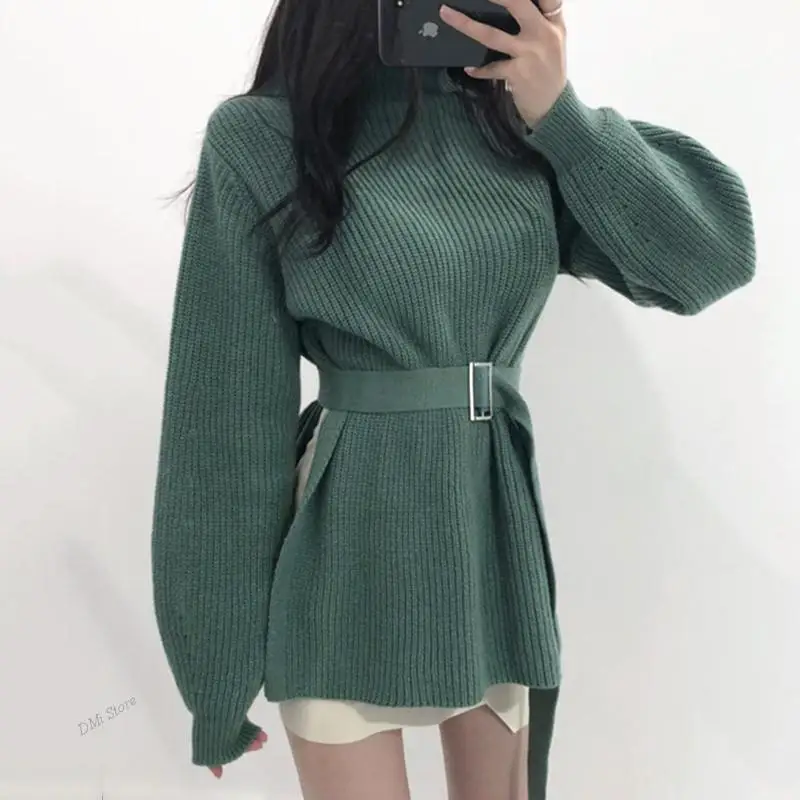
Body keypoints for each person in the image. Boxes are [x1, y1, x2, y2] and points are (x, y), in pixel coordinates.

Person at [150, 0, 756, 798]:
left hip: (490, 546)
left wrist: (562, 116)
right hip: (344, 562)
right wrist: (216, 672)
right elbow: (225, 426)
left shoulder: (519, 127)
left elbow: (711, 260)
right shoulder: (263, 138)